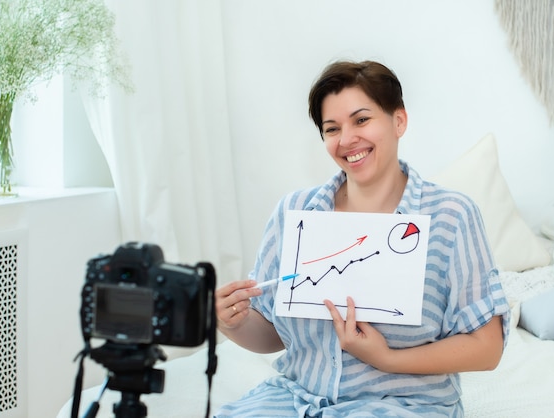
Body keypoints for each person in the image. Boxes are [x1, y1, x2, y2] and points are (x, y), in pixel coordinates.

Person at [214, 60, 510, 417]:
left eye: (362, 120)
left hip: (405, 405)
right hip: (295, 398)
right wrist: (231, 322)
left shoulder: (452, 215)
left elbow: (487, 347)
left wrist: (387, 358)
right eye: (332, 128)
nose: (347, 139)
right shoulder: (294, 211)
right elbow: (271, 334)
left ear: (398, 121)